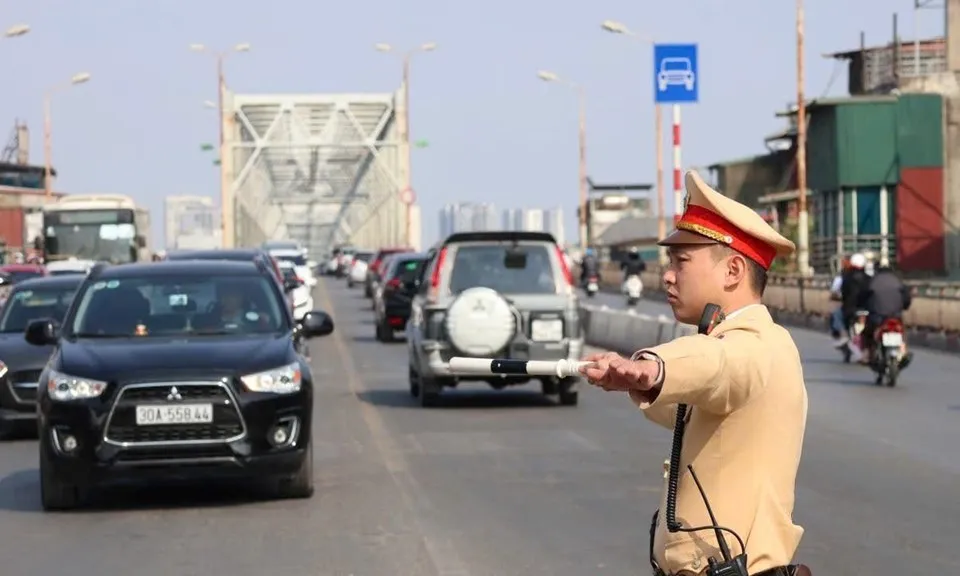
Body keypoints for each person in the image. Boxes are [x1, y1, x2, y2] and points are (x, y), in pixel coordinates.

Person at [581, 171, 808, 576]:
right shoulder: (740, 344)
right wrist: (634, 381)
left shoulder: (757, 345)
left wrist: (651, 367)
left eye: (681, 261)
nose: (668, 274)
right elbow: (691, 402)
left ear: (733, 271)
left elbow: (717, 365)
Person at [861, 261, 913, 369]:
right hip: (895, 315)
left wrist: (864, 307)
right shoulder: (898, 281)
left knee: (867, 332)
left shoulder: (872, 281)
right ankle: (903, 351)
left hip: (877, 316)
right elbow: (907, 298)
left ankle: (867, 354)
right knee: (902, 331)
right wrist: (904, 307)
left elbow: (863, 297)